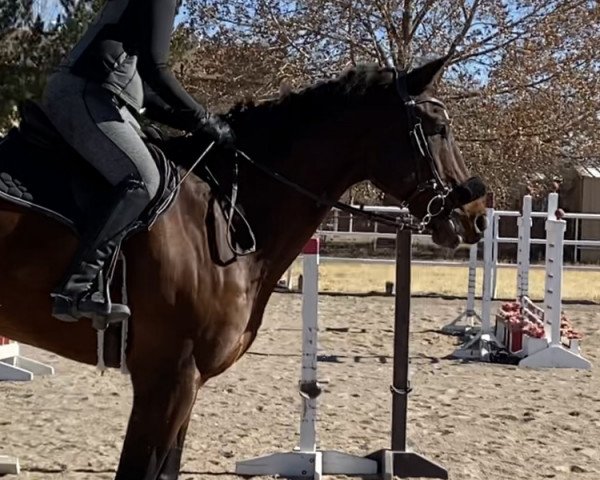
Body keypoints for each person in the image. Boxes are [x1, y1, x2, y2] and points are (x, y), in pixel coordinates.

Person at [42, 0, 234, 324]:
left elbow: (143, 85)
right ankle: (75, 288)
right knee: (143, 178)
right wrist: (202, 117)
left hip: (105, 96)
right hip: (86, 94)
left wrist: (193, 122)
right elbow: (157, 68)